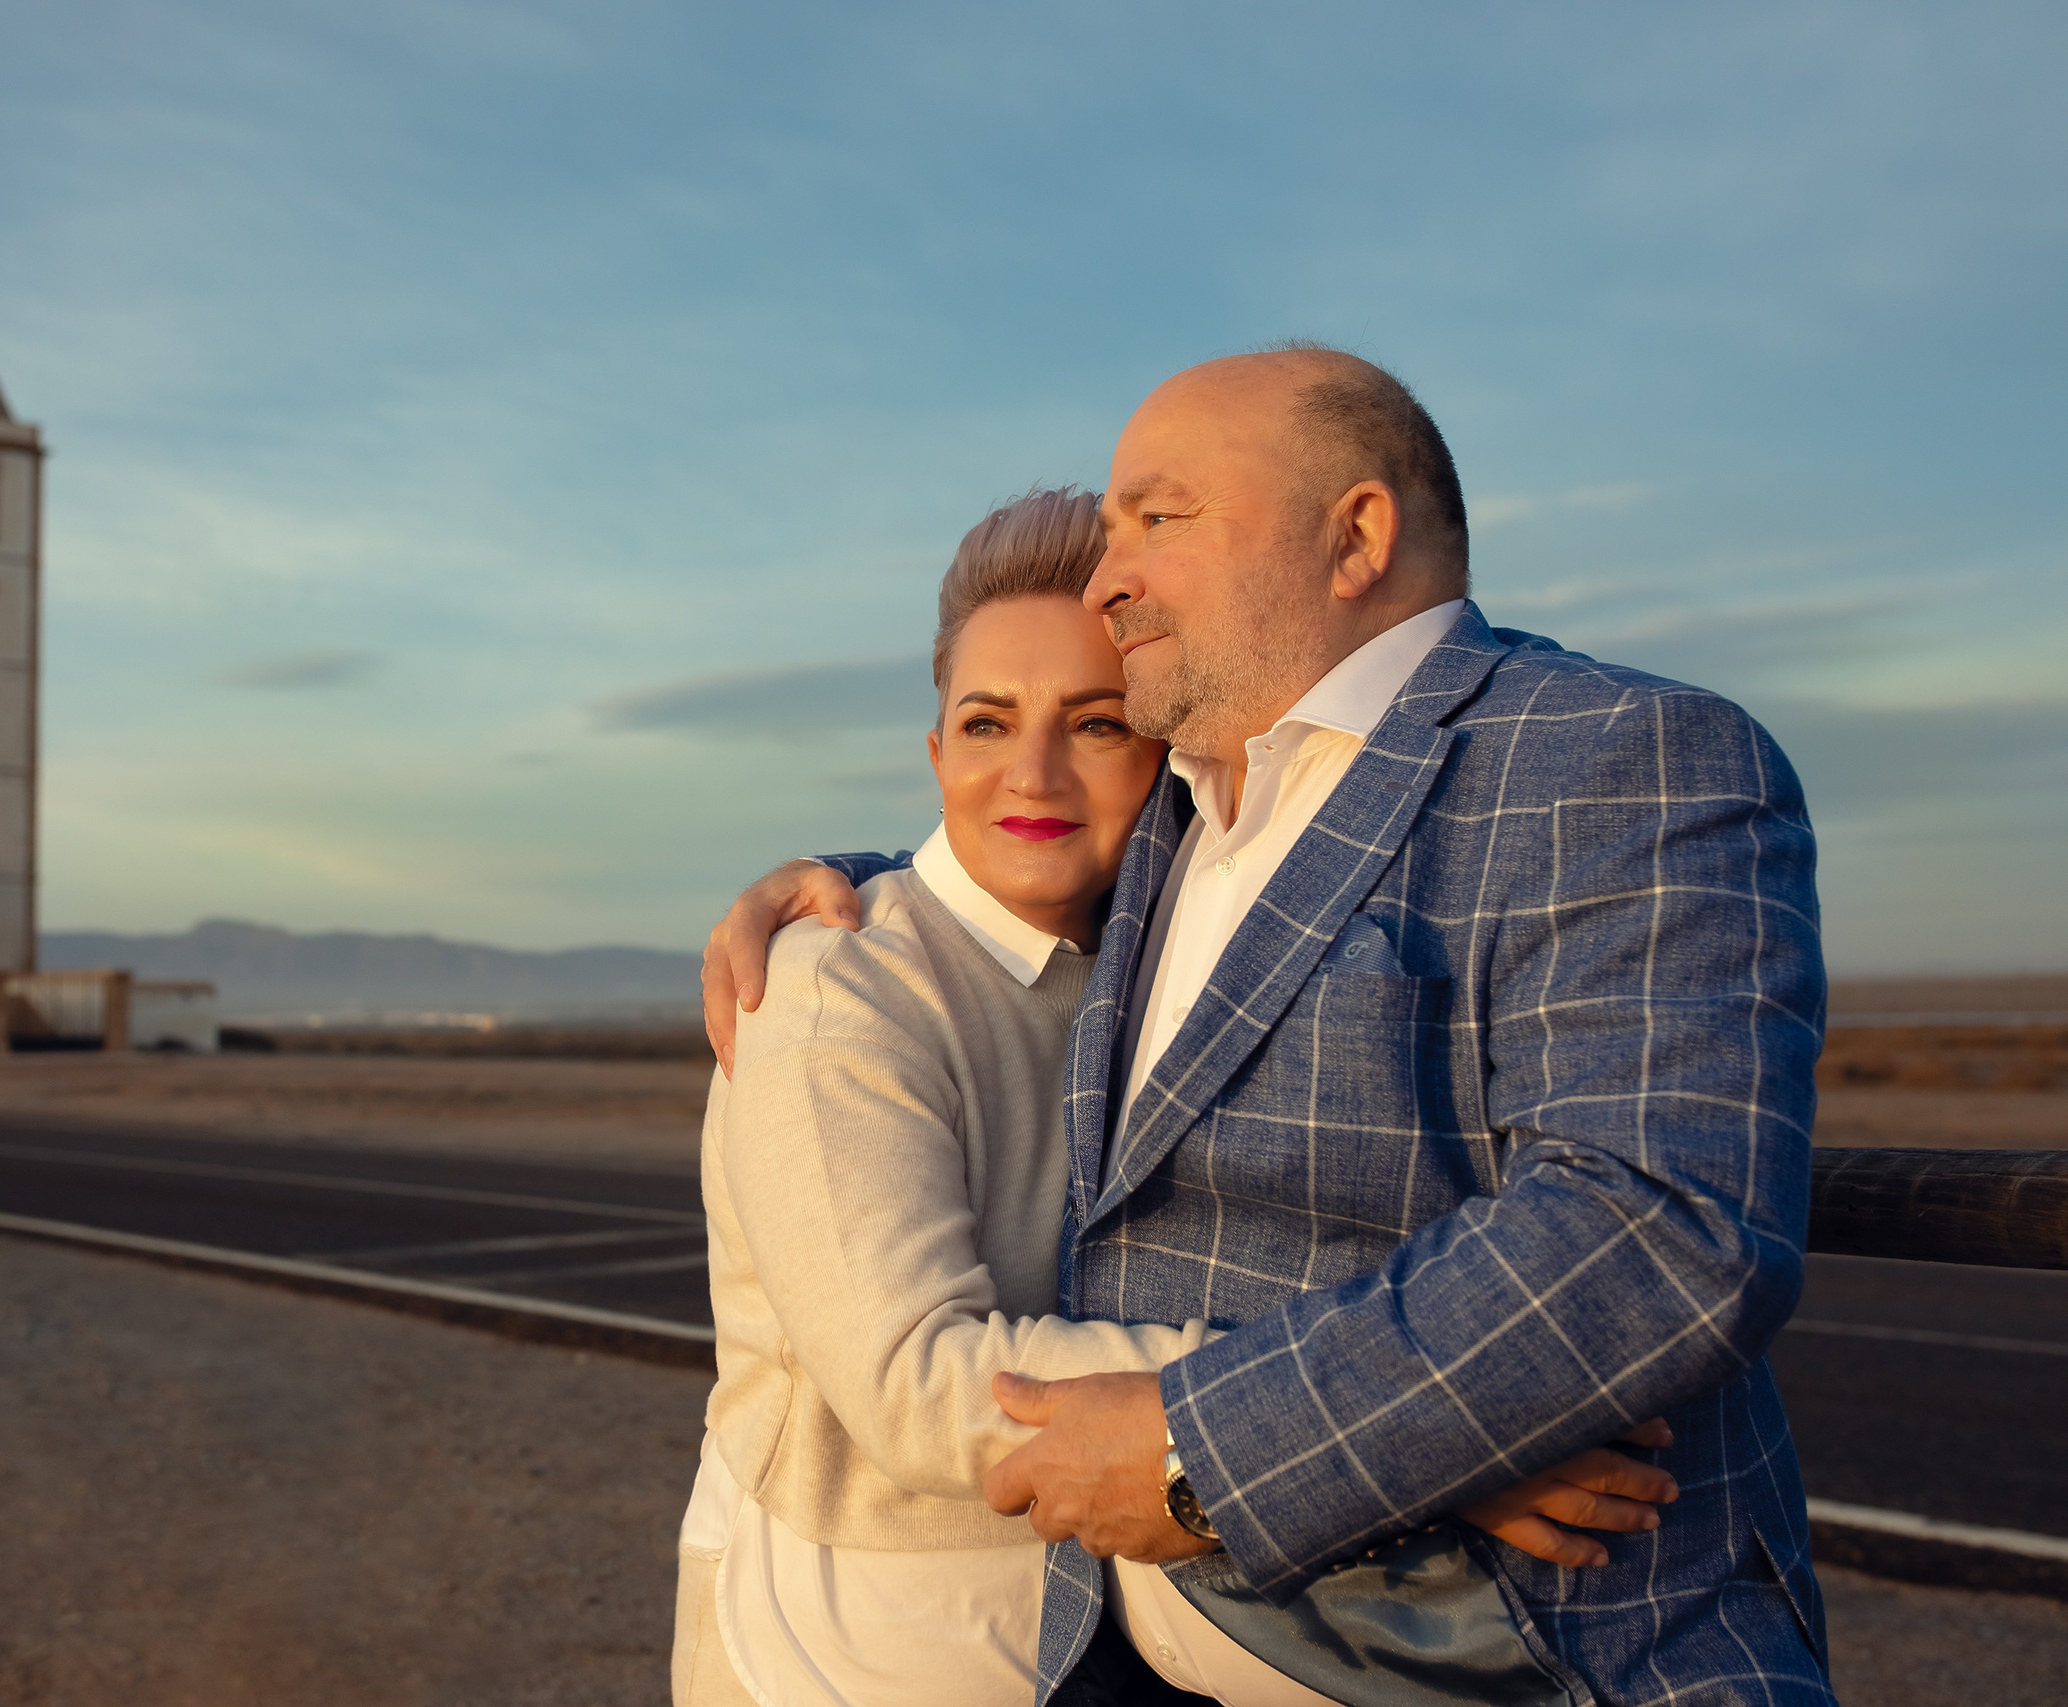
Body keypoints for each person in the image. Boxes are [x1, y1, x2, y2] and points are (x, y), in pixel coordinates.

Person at [706, 347, 1832, 1705]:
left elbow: (1656, 1223)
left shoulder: (1620, 756)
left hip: (1532, 1659)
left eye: (1157, 520)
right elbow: (1006, 849)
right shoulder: (1184, 805)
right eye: (1111, 530)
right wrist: (848, 902)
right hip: (1086, 1646)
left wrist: (1212, 1446)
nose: (1112, 578)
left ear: (1355, 534)